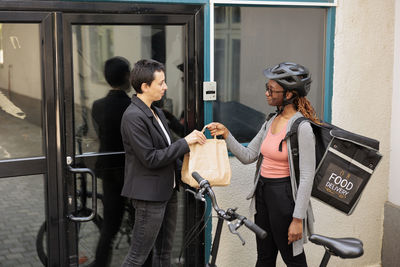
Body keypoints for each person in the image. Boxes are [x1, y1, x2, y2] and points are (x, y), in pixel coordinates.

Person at [207, 62, 317, 267]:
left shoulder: (302, 128)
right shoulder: (270, 120)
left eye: (271, 90)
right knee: (264, 258)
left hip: (284, 198)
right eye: (266, 88)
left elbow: (307, 175)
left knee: (293, 260)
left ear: (289, 94)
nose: (266, 93)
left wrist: (297, 219)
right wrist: (226, 134)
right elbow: (248, 156)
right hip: (263, 194)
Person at [120, 59, 206, 267]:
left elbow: (169, 153)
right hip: (148, 197)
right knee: (137, 256)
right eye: (161, 83)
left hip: (168, 191)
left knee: (164, 253)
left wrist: (188, 174)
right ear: (145, 86)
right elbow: (151, 158)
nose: (166, 87)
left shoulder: (157, 112)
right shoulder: (132, 116)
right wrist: (185, 142)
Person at [91, 56, 152, 267]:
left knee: (108, 229)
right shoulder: (135, 107)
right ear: (128, 77)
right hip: (133, 174)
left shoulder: (97, 106)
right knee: (141, 228)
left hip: (109, 173)